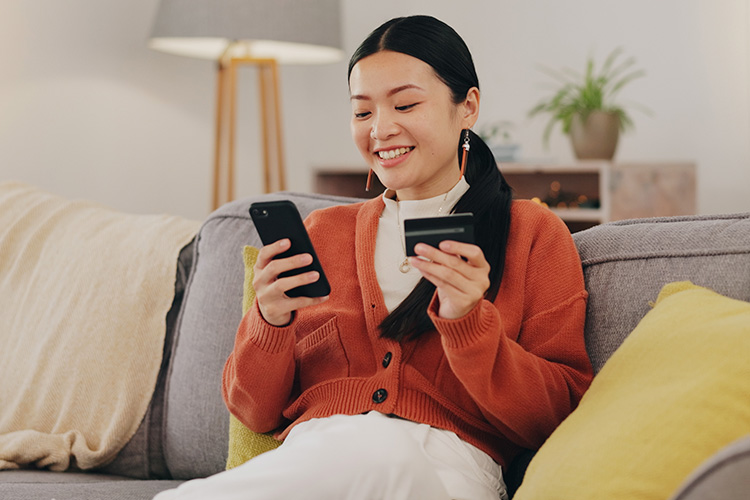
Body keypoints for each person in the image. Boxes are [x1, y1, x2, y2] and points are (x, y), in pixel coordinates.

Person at [155, 14, 592, 500]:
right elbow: (254, 412)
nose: (381, 129)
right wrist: (270, 321)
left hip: (447, 472)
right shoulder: (325, 233)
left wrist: (469, 324)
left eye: (405, 104)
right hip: (316, 457)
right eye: (362, 113)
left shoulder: (532, 233)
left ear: (467, 107)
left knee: (381, 452)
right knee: (359, 450)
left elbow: (557, 415)